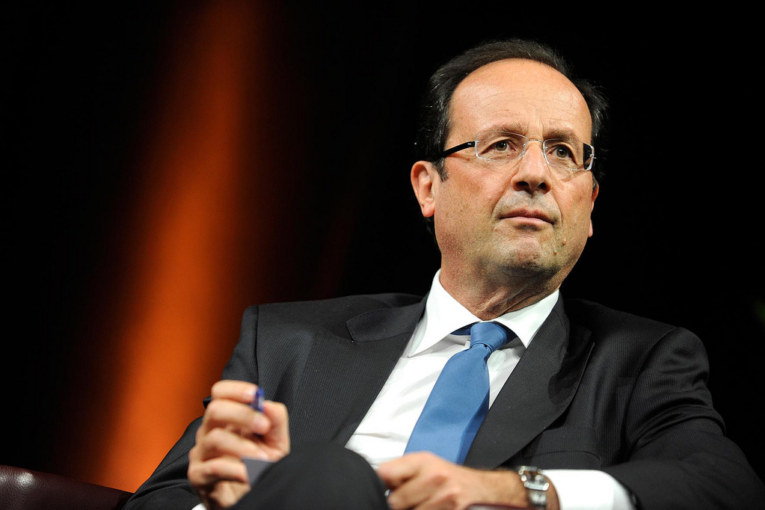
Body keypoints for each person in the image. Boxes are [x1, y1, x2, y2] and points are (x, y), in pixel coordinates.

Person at [124, 39, 764, 510]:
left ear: (590, 205)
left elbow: (724, 488)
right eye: (501, 144)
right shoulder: (288, 342)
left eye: (563, 151)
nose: (536, 174)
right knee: (331, 478)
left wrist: (513, 492)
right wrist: (242, 498)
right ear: (428, 187)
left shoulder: (641, 362)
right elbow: (158, 500)